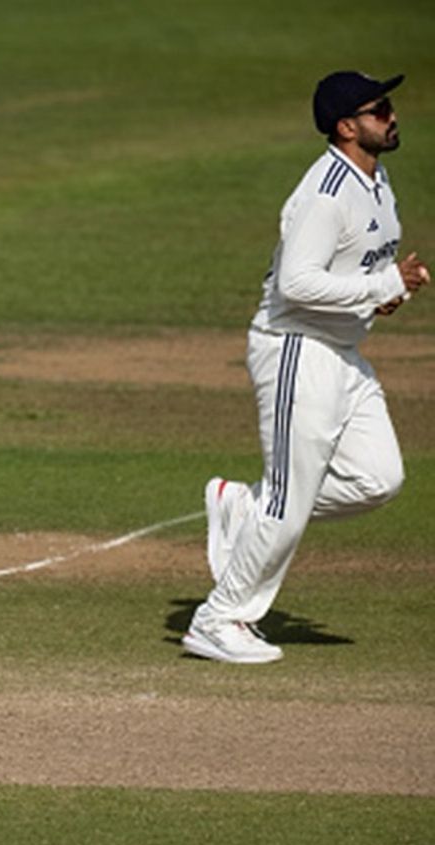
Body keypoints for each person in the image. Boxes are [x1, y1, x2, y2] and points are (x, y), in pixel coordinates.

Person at [188, 72, 428, 664]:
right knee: (288, 503)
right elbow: (295, 284)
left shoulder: (374, 180)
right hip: (297, 347)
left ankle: (246, 506)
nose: (392, 116)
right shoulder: (327, 192)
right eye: (379, 110)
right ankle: (218, 619)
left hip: (342, 354)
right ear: (347, 127)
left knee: (378, 480)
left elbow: (352, 269)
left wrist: (382, 292)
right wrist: (379, 285)